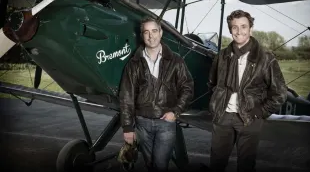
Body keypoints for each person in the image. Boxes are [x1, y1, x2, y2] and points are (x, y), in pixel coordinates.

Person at [207, 9, 287, 172]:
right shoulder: (222, 55)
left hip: (249, 119)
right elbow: (212, 83)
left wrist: (259, 112)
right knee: (216, 164)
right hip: (223, 118)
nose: (239, 31)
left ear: (251, 29)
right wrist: (217, 106)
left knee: (246, 166)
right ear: (230, 30)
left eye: (243, 26)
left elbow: (280, 93)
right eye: (234, 27)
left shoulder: (266, 57)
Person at [119, 16, 194, 172]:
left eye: (154, 31)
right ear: (142, 35)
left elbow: (188, 88)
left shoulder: (176, 61)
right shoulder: (133, 63)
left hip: (165, 123)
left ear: (161, 33)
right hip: (142, 123)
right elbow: (127, 96)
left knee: (160, 165)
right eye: (146, 32)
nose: (150, 36)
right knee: (150, 165)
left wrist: (176, 111)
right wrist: (127, 128)